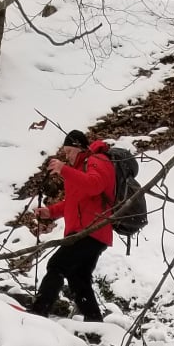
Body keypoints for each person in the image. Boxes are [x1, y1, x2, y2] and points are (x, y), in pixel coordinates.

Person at [23, 131, 116, 321]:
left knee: (57, 265)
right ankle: (95, 322)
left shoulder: (97, 160)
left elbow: (95, 185)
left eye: (70, 151)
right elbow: (74, 202)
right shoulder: (80, 168)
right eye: (65, 152)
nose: (67, 156)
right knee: (78, 278)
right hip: (91, 232)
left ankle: (40, 310)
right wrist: (51, 212)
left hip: (90, 230)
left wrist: (64, 169)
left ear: (80, 148)